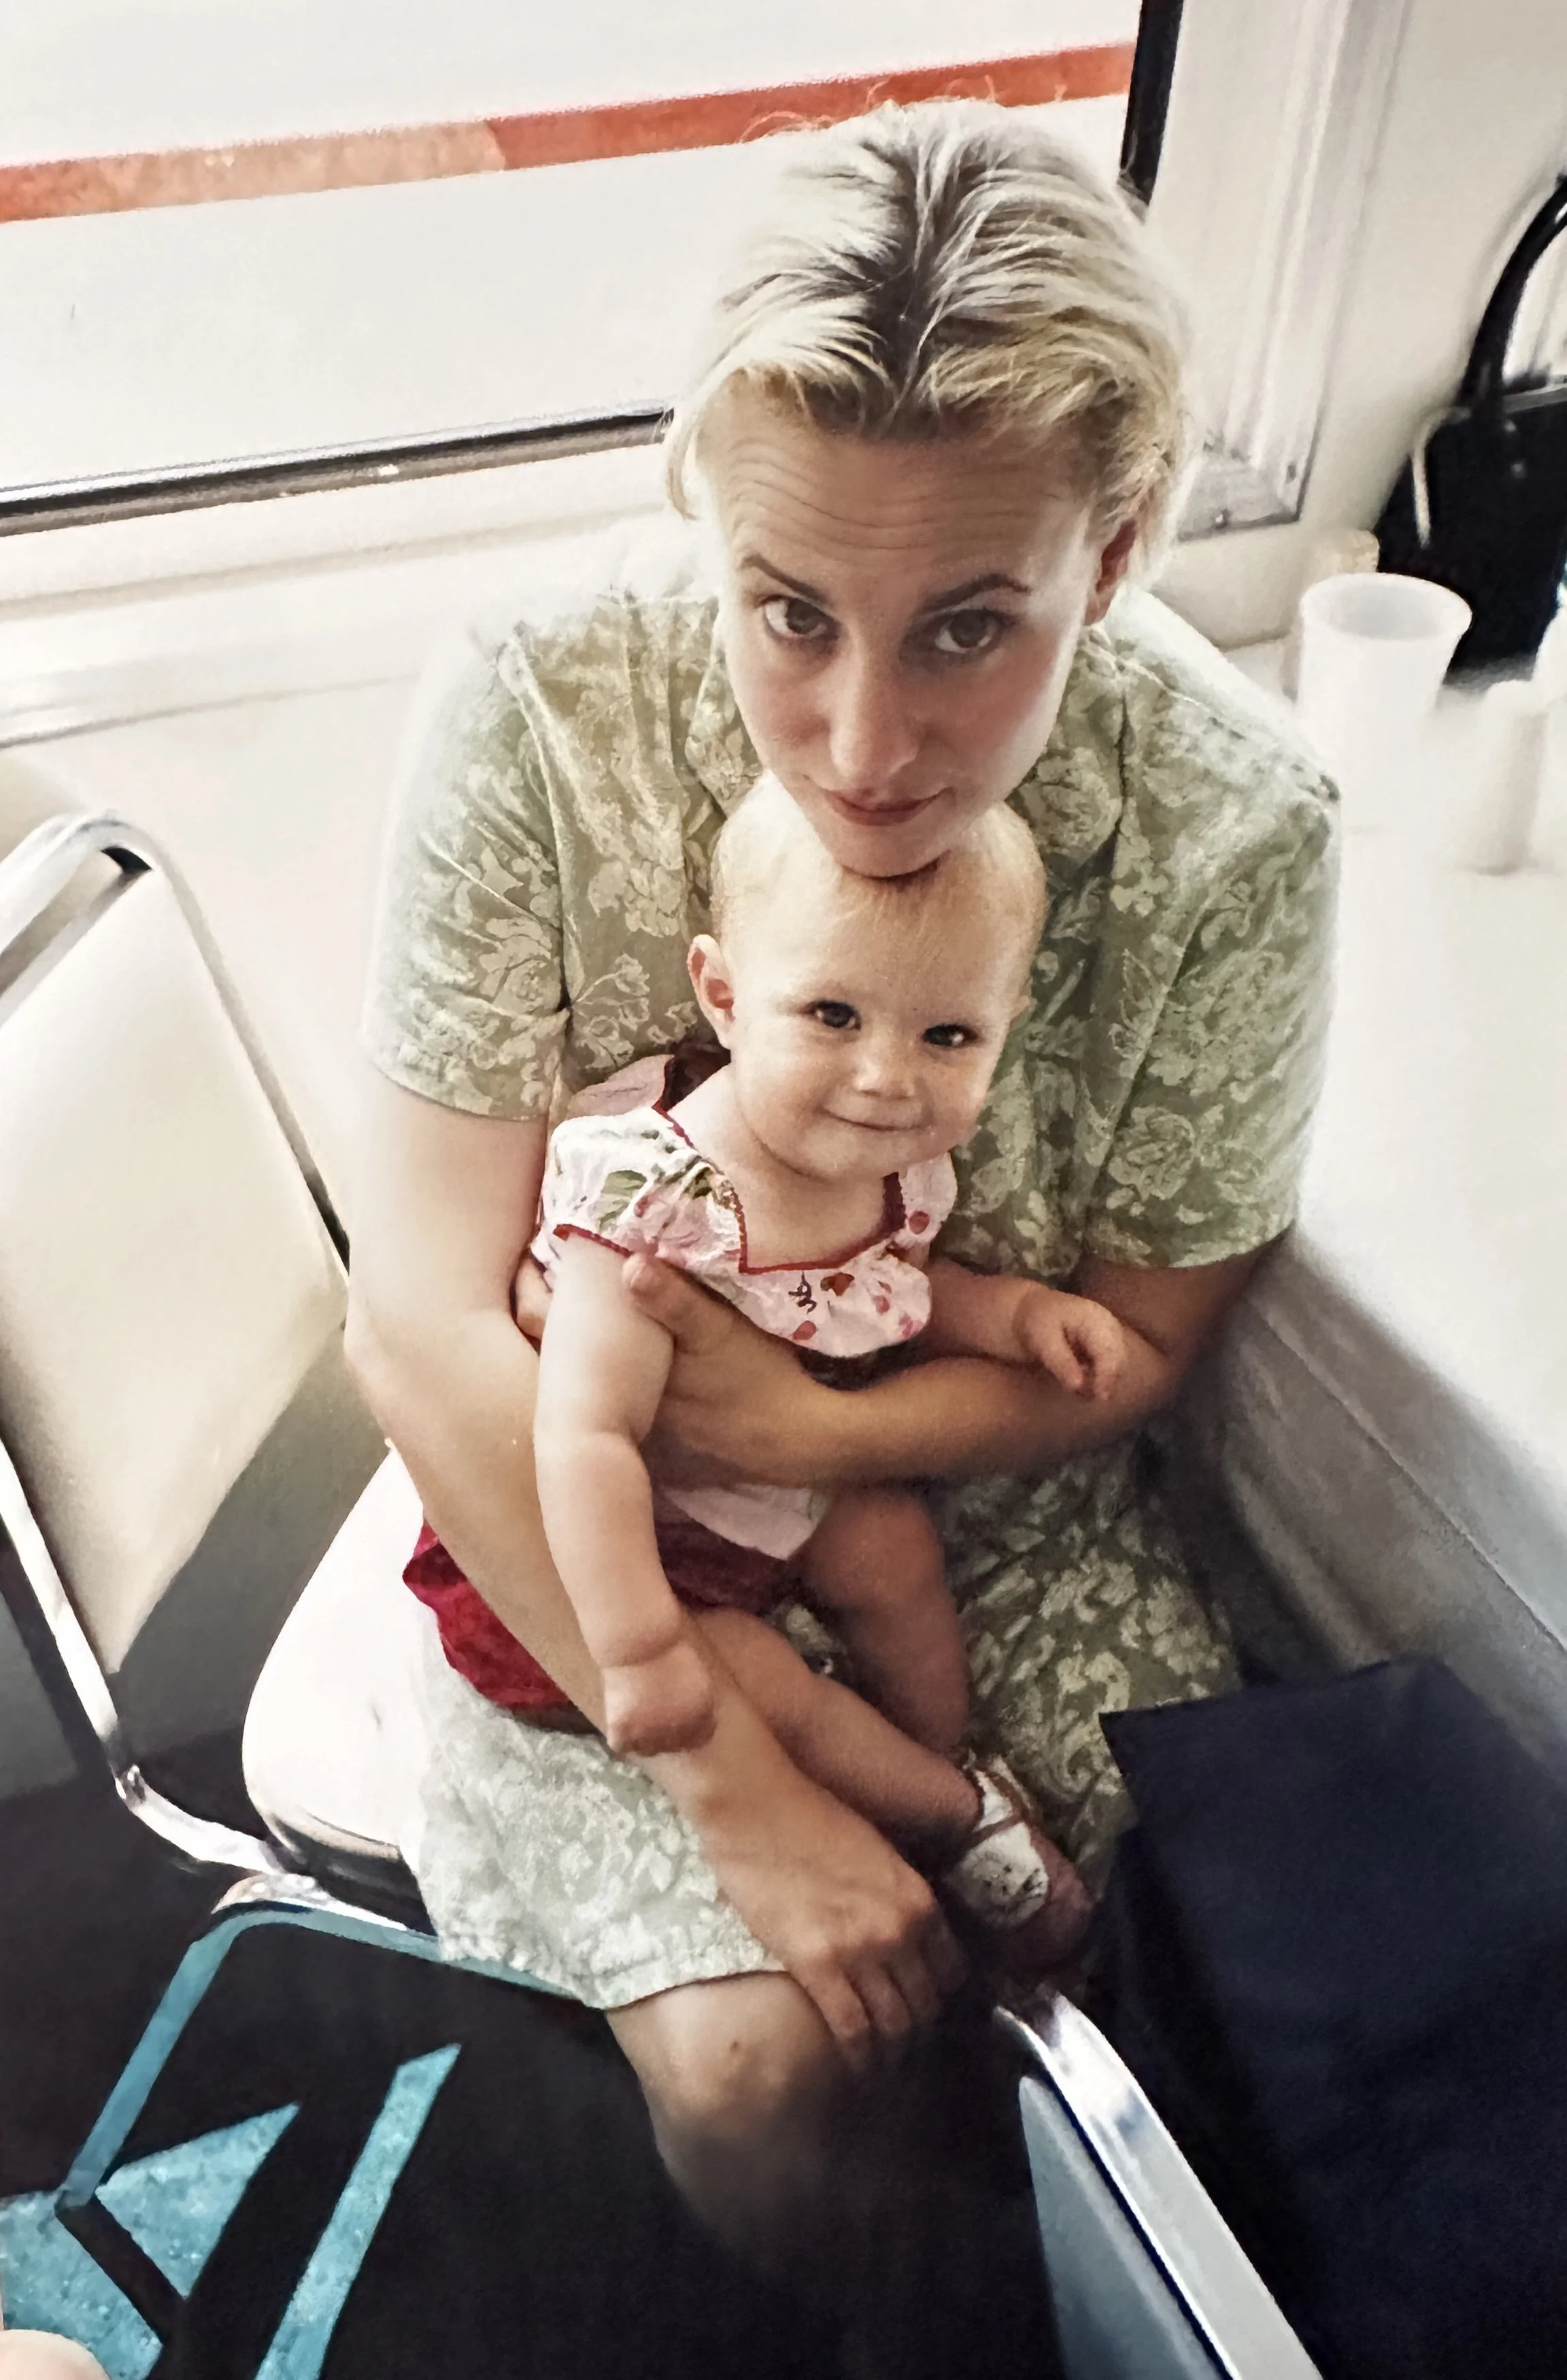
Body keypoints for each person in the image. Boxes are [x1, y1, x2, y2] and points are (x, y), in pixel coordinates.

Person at [350, 97, 1335, 2302]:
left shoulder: (1233, 831)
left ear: (1129, 535)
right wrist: (716, 1773)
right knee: (758, 2074)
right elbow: (417, 1323)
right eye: (785, 609)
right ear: (700, 513)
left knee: (1227, 1952)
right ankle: (858, 2325)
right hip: (559, 1513)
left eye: (970, 627)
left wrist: (808, 1439)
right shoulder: (533, 718)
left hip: (990, 1520)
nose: (865, 738)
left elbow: (1146, 1336)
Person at [407, 773, 1125, 1971]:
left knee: (891, 1543)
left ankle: (933, 1762)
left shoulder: (893, 1168)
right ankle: (947, 1818)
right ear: (726, 998)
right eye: (833, 1016)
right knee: (749, 1678)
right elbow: (576, 1438)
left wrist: (1018, 1318)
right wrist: (636, 1650)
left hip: (749, 1500)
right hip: (598, 1557)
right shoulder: (653, 1206)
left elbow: (887, 1298)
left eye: (949, 1035)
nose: (890, 1075)